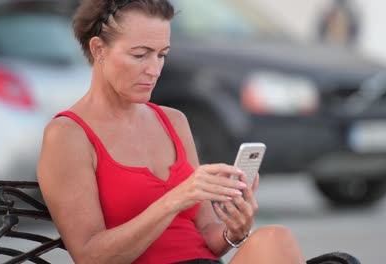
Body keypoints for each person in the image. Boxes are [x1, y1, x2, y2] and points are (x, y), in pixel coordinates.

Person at [37, 0, 307, 263]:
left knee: (274, 238)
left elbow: (207, 236)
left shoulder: (173, 120)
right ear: (99, 49)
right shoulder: (68, 135)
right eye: (140, 55)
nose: (154, 70)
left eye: (162, 54)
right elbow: (90, 256)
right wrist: (175, 199)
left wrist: (233, 230)